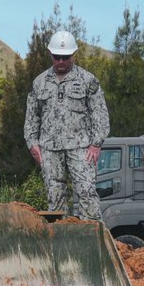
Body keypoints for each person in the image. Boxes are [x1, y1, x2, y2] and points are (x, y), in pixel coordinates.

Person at [24, 31, 110, 220]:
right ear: (50, 55)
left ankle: (93, 241)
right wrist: (32, 144)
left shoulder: (88, 81)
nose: (61, 61)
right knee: (55, 199)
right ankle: (60, 244)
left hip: (81, 148)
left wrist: (96, 143)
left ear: (73, 55)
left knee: (87, 193)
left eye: (65, 57)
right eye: (57, 57)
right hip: (49, 149)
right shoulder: (39, 83)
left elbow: (100, 114)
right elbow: (31, 117)